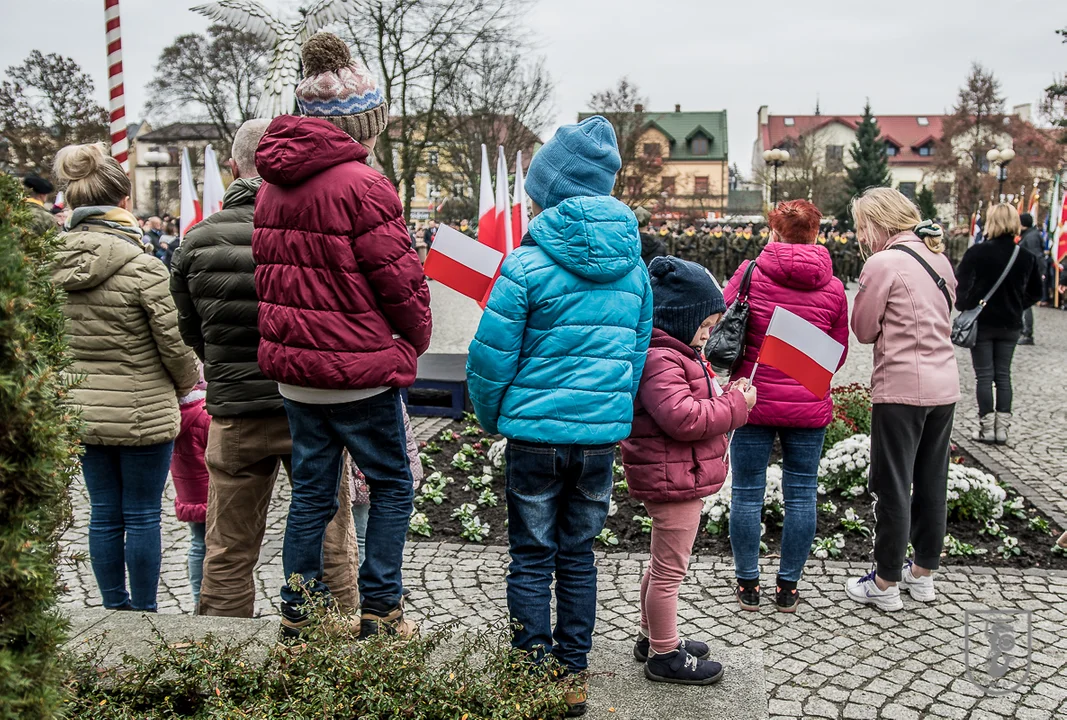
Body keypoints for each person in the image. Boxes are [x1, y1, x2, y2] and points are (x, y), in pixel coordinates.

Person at [466, 115, 653, 717]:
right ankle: (574, 672)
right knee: (577, 555)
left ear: (547, 189)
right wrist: (611, 413)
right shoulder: (635, 268)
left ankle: (529, 670)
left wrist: (495, 417)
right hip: (598, 438)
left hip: (534, 432)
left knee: (530, 554)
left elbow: (491, 358)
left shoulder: (524, 265)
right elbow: (637, 350)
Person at [252, 33, 431, 640]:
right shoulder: (364, 185)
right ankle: (381, 611)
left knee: (310, 493)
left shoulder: (272, 185)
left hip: (296, 373)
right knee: (391, 483)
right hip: (357, 369)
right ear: (364, 124)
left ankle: (300, 614)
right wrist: (412, 342)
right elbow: (401, 283)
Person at [170, 118, 359, 618]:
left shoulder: (197, 239)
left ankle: (219, 663)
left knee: (228, 548)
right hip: (309, 409)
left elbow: (193, 332)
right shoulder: (310, 229)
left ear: (235, 167)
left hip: (234, 411)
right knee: (331, 540)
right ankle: (346, 658)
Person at [50, 142, 200, 611]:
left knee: (102, 514)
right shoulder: (143, 266)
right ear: (124, 202)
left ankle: (113, 607)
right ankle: (145, 611)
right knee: (141, 515)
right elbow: (174, 346)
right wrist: (185, 383)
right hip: (143, 408)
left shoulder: (47, 265)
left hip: (81, 411)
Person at [621, 256, 753, 686]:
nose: (710, 332)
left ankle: (650, 636)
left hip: (676, 474)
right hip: (672, 479)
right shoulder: (662, 358)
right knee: (668, 574)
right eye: (705, 323)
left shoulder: (676, 352)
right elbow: (684, 418)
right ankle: (665, 654)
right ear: (678, 318)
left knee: (660, 566)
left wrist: (728, 391)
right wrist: (737, 407)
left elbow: (695, 400)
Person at [723, 200, 849, 613]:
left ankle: (747, 585)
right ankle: (788, 588)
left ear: (773, 233)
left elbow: (726, 320)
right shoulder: (833, 287)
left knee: (745, 493)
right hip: (807, 404)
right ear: (817, 234)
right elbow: (838, 353)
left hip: (751, 398)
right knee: (801, 495)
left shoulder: (749, 274)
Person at [845, 187, 959, 612]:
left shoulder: (883, 262)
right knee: (932, 482)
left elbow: (864, 327)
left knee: (891, 484)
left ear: (878, 222)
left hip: (901, 388)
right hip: (943, 386)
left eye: (862, 228)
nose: (862, 237)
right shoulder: (939, 259)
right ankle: (923, 573)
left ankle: (886, 579)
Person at [955, 204, 1043, 444]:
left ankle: (985, 429)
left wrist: (970, 304)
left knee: (984, 376)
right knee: (1003, 376)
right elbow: (1036, 292)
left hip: (982, 323)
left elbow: (961, 289)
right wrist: (1017, 304)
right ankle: (1002, 430)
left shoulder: (977, 253)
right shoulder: (1026, 256)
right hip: (1011, 323)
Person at [171, 374, 210, 608]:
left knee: (197, 543)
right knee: (220, 545)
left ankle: (197, 597)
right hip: (212, 492)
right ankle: (212, 597)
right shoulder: (205, 415)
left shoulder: (175, 415)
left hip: (190, 492)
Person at [1017, 212, 1045, 345]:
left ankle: (1027, 333)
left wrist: (1039, 274)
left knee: (1026, 304)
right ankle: (1023, 330)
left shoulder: (1031, 237)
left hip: (1029, 274)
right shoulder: (1029, 235)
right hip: (1027, 273)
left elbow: (1036, 256)